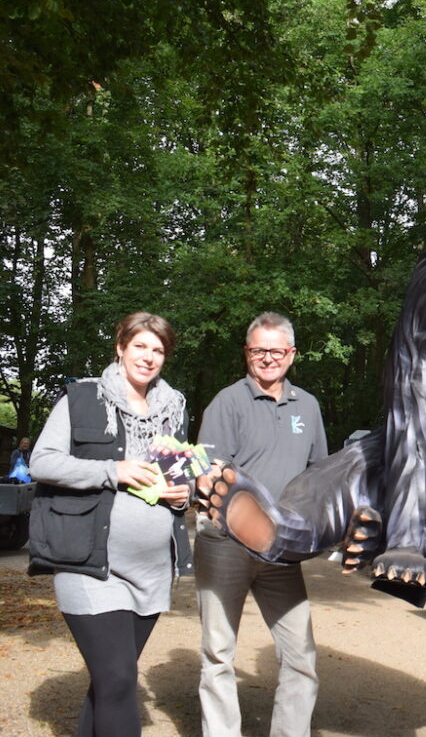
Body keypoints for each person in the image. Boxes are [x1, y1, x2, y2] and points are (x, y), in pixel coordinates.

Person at [27, 312, 192, 736]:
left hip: (151, 571)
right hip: (90, 564)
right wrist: (111, 470)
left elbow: (175, 476)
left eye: (158, 350)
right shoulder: (82, 398)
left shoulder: (173, 408)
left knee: (109, 683)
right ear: (120, 347)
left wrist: (182, 493)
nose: (149, 357)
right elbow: (41, 462)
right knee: (119, 679)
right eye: (140, 346)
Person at [195, 312, 328, 737]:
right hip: (225, 546)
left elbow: (317, 474)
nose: (267, 358)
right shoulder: (227, 402)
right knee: (218, 653)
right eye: (258, 350)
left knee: (301, 656)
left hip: (281, 551)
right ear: (246, 353)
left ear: (291, 354)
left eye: (276, 350)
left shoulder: (307, 405)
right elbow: (211, 474)